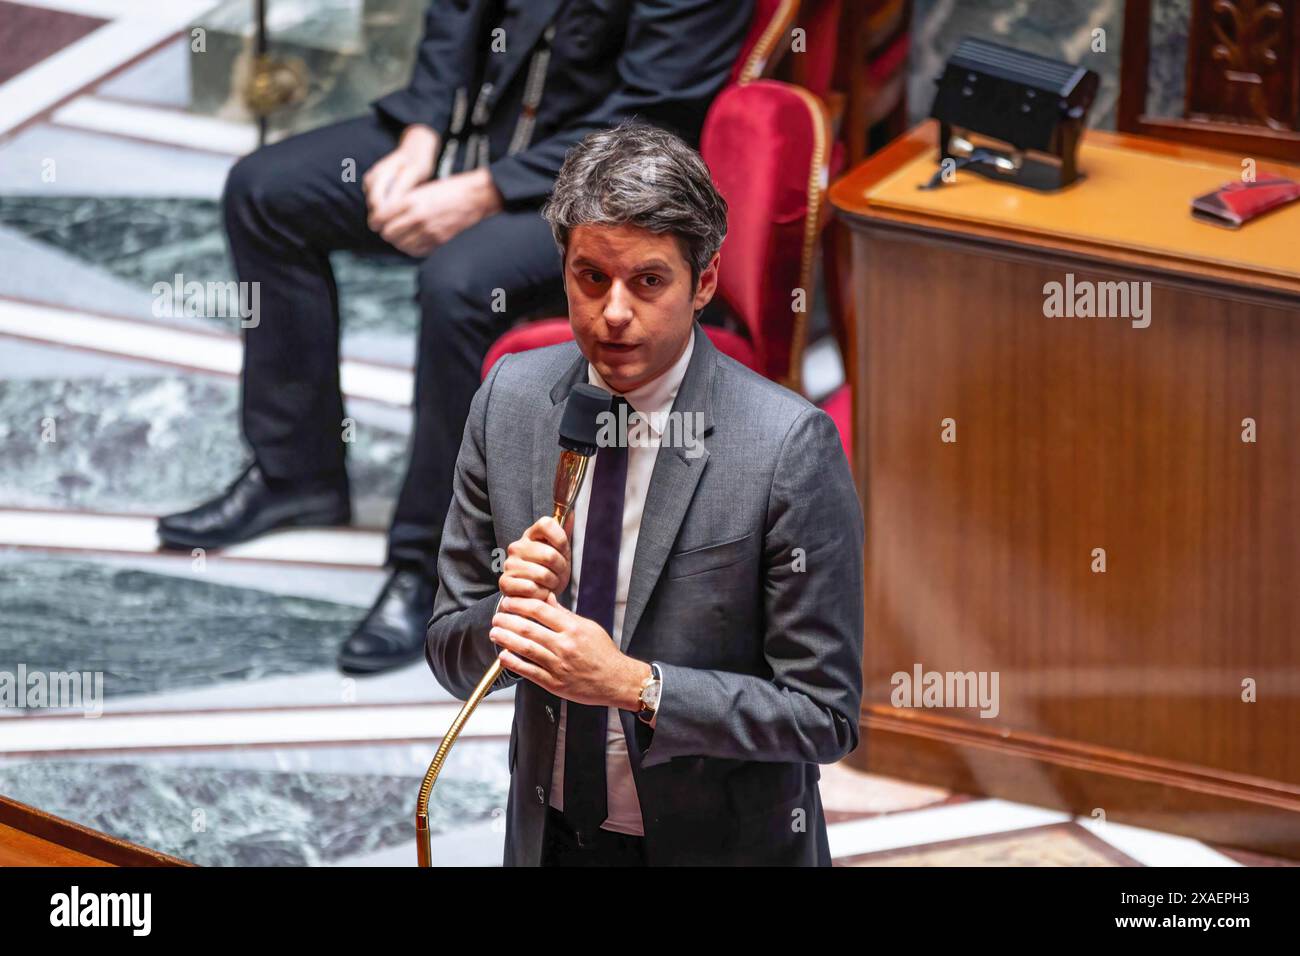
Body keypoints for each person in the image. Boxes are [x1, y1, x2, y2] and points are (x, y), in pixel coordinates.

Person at [156, 0, 755, 674]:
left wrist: (484, 192)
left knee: (459, 283)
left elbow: (654, 111)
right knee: (264, 191)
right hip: (476, 134)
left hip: (608, 193)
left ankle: (432, 565)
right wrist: (422, 135)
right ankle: (296, 472)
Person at [425, 122, 865, 866]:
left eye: (648, 281)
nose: (615, 312)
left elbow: (824, 716)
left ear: (705, 282)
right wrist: (506, 616)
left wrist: (635, 686)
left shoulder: (786, 447)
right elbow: (447, 652)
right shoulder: (510, 402)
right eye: (592, 278)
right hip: (549, 841)